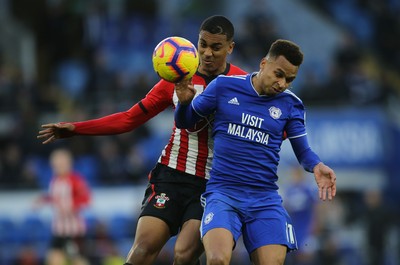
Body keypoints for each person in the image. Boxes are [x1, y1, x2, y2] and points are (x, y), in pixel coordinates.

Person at [37, 15, 247, 265]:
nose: (207, 53)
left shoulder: (243, 84)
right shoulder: (178, 76)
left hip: (211, 186)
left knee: (184, 254)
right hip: (171, 175)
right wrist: (77, 129)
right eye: (203, 44)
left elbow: (272, 126)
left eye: (216, 47)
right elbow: (129, 118)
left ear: (230, 48)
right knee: (142, 250)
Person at [174, 39, 337, 265]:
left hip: (264, 199)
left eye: (290, 79)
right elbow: (185, 122)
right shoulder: (224, 87)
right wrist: (183, 104)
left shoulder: (292, 105)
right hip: (223, 194)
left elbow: (304, 151)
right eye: (279, 74)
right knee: (218, 260)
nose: (282, 83)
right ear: (263, 64)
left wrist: (317, 165)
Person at [34, 148, 91, 265]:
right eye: (55, 165)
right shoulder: (54, 181)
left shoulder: (75, 180)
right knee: (53, 259)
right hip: (58, 229)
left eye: (61, 164)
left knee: (77, 260)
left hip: (73, 230)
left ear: (68, 164)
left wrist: (72, 206)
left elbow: (86, 198)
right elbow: (55, 198)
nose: (57, 167)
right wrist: (43, 200)